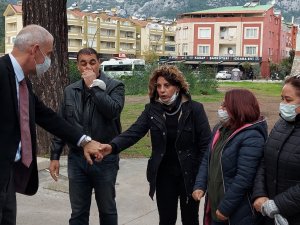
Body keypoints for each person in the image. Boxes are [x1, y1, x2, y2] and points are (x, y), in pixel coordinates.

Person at [0, 25, 102, 225]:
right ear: (35, 50)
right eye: (48, 54)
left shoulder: (23, 82)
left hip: (8, 177)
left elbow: (47, 117)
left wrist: (83, 141)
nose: (49, 61)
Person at [99, 65, 211, 225]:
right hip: (163, 175)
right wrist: (112, 146)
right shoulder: (152, 110)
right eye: (158, 86)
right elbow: (134, 132)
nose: (162, 90)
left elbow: (206, 145)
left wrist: (201, 179)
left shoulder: (195, 109)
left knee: (190, 220)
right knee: (166, 220)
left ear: (177, 87)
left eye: (167, 85)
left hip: (189, 175)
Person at [49, 48, 125, 225]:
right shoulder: (70, 91)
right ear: (78, 66)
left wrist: (94, 88)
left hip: (104, 158)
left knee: (107, 210)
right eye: (83, 63)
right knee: (78, 213)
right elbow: (62, 124)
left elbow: (113, 111)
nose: (88, 67)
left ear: (99, 63)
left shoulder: (115, 86)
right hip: (77, 159)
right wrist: (55, 155)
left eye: (92, 62)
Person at [192, 89, 268, 225]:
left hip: (236, 212)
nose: (220, 109)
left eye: (225, 106)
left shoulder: (252, 136)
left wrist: (226, 208)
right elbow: (207, 159)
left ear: (238, 108)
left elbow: (244, 178)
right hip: (216, 205)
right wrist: (200, 184)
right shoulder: (220, 129)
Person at [253, 75, 300, 225]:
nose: (283, 104)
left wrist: (278, 204)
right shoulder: (281, 124)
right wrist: (260, 195)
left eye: (288, 100)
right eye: (282, 99)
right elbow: (264, 161)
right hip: (268, 214)